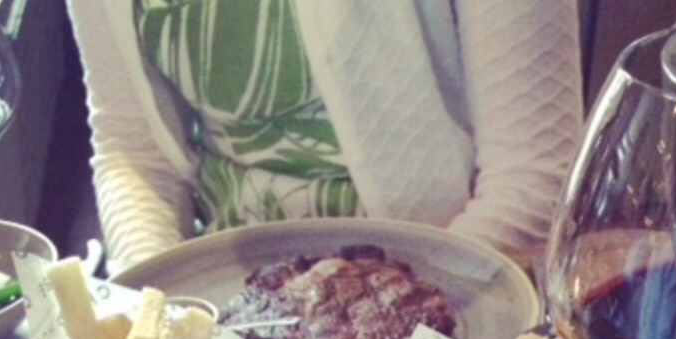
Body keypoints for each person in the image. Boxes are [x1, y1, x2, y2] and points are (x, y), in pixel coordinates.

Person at [65, 0, 584, 276]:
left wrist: (389, 312)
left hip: (456, 302)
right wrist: (156, 309)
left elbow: (535, 178)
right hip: (231, 313)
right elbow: (134, 154)